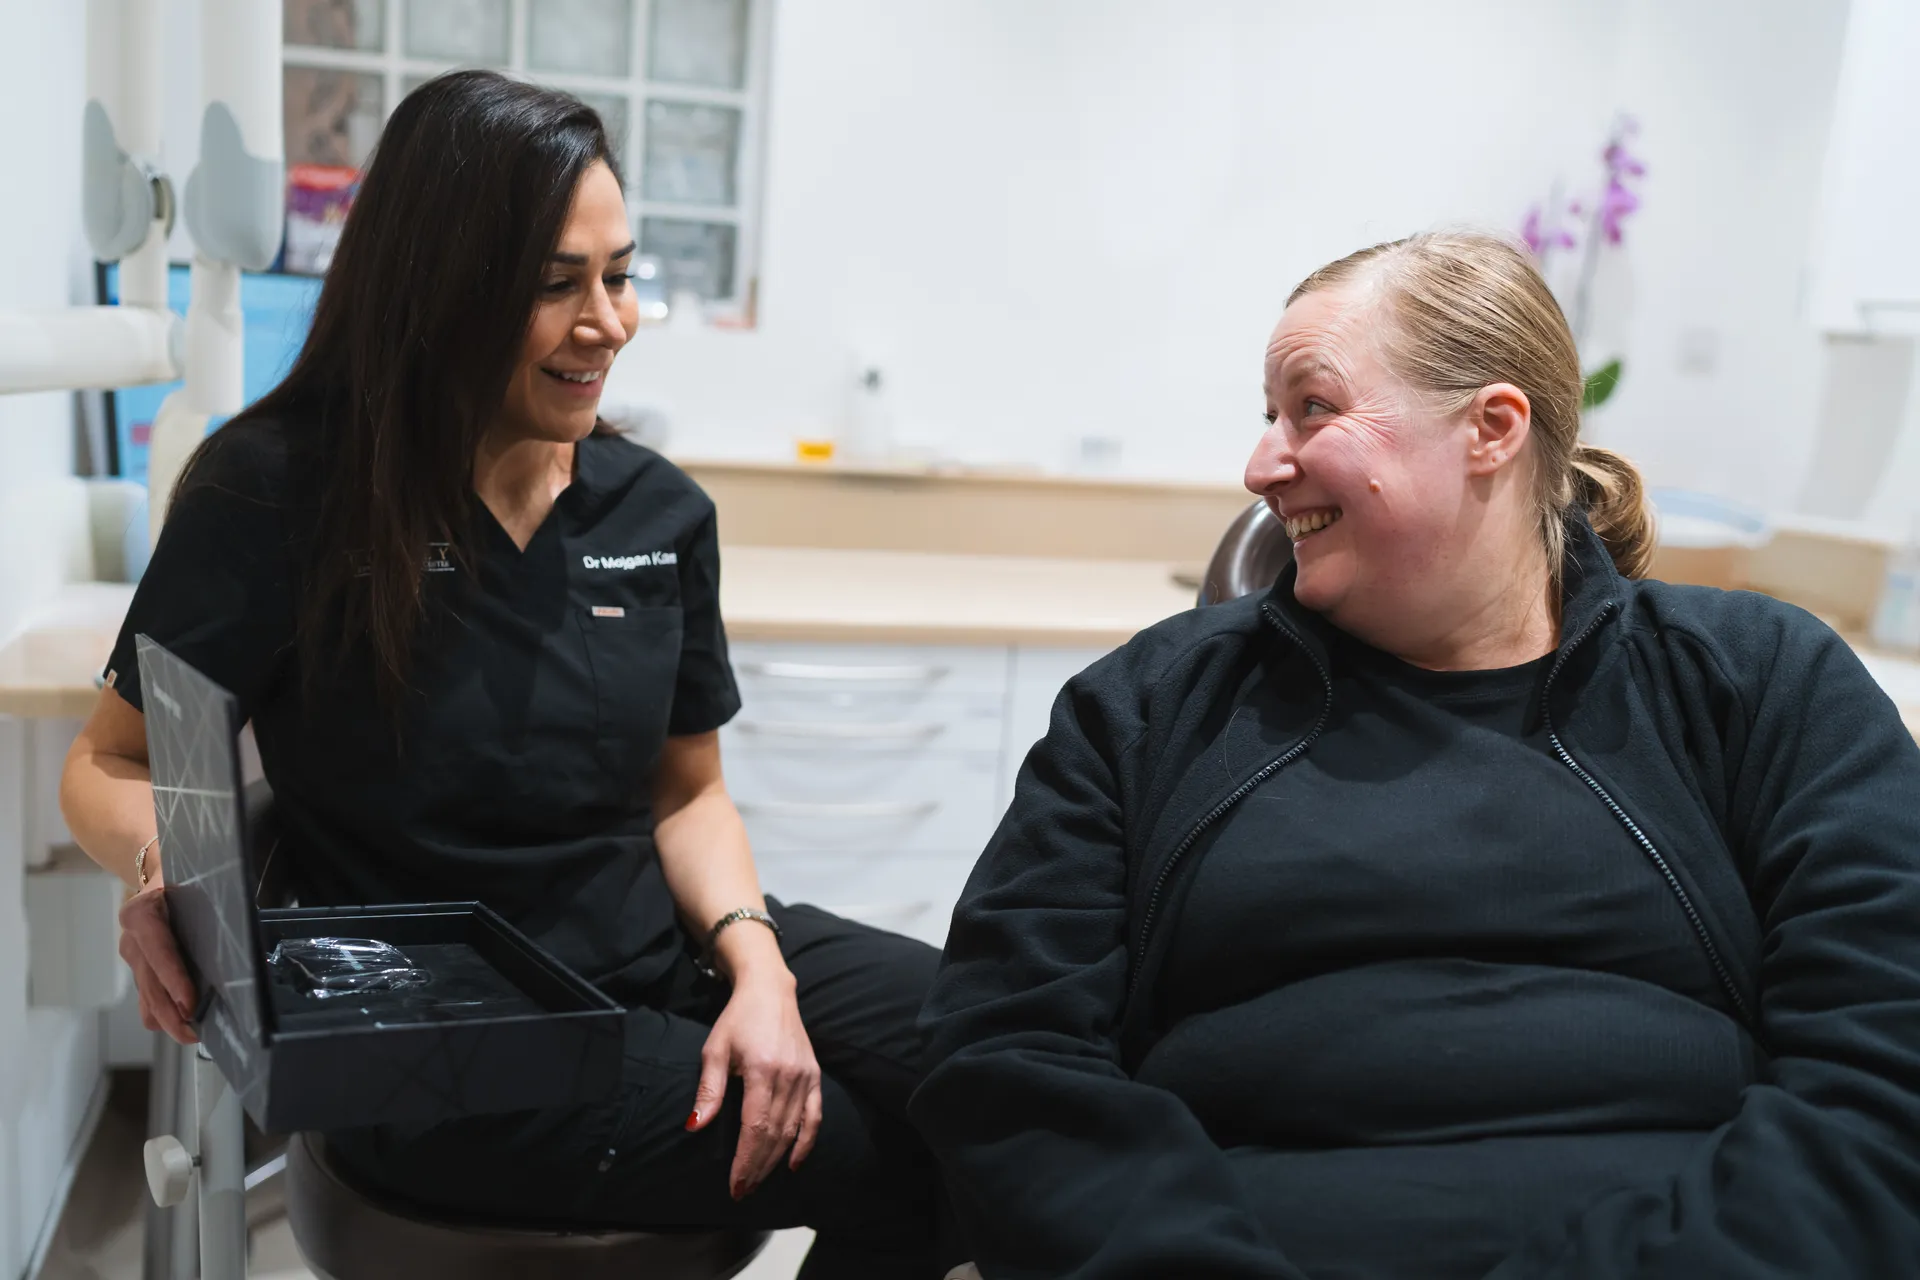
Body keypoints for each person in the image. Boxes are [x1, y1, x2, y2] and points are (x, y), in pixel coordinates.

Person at [61, 70, 948, 1278]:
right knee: (904, 1158)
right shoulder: (275, 490)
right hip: (454, 1041)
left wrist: (761, 969)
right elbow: (107, 760)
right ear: (440, 291)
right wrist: (174, 871)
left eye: (621, 275)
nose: (610, 322)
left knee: (1010, 1052)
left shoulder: (658, 509)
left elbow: (686, 794)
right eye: (556, 285)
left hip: (656, 952)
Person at [911, 231, 1920, 1278]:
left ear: (1490, 427)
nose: (1261, 465)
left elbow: (1886, 1066)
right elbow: (1007, 1053)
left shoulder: (1758, 683)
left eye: (1313, 407)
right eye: (1269, 416)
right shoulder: (1152, 706)